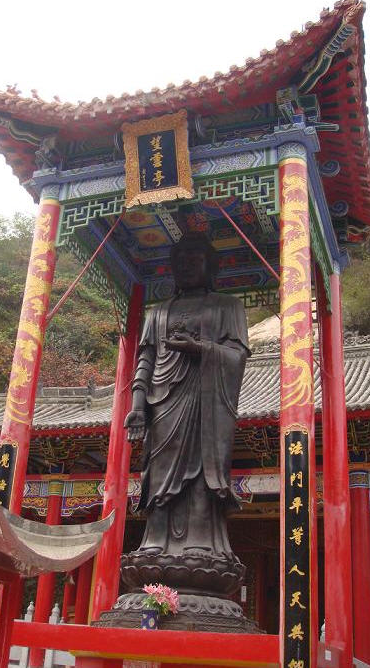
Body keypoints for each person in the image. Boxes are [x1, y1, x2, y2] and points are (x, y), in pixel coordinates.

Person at [124, 233, 250, 586]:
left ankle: (201, 546)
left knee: (200, 472)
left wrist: (200, 349)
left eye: (195, 260)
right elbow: (146, 360)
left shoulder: (228, 306)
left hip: (207, 402)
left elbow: (237, 356)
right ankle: (154, 543)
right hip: (163, 402)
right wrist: (137, 407)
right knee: (159, 474)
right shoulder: (158, 312)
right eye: (180, 261)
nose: (186, 267)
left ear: (210, 266)